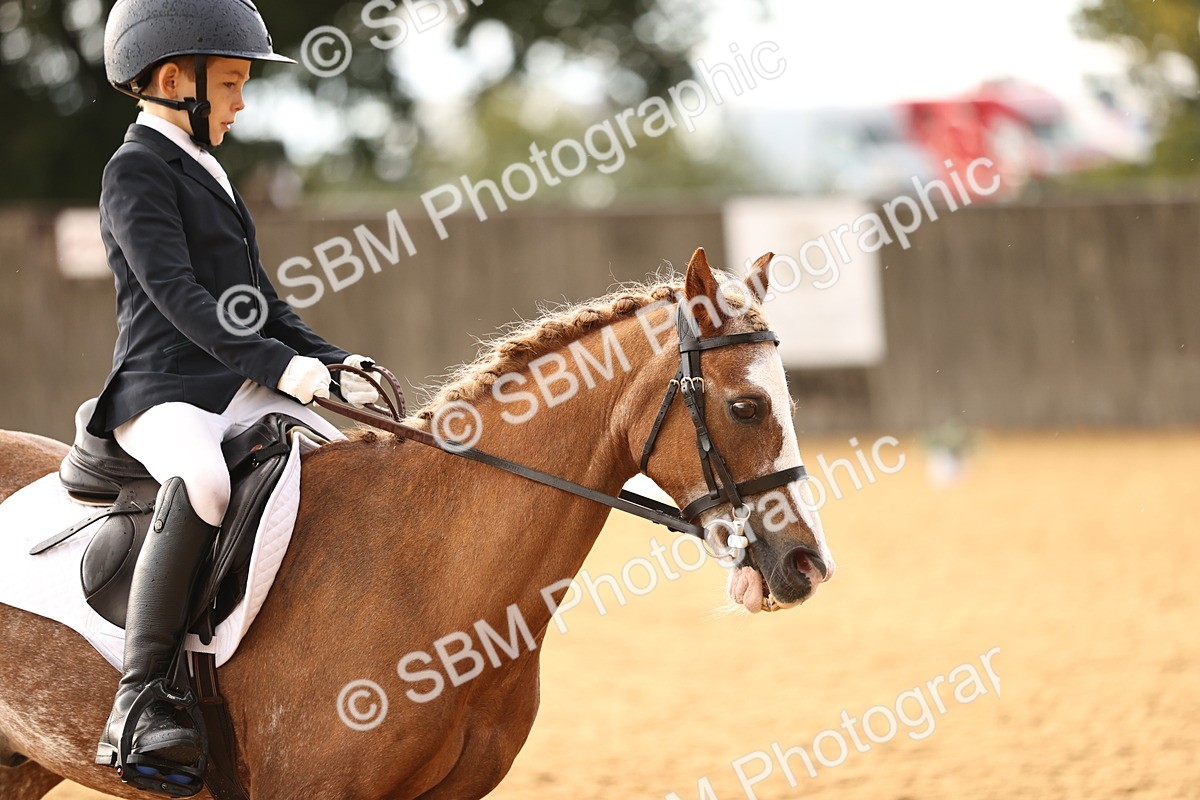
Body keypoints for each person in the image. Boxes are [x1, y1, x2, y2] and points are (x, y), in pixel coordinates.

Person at [91, 0, 378, 790]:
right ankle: (141, 697)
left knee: (344, 459)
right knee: (207, 481)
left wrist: (332, 357)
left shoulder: (205, 163)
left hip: (236, 379)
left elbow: (261, 301)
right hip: (163, 391)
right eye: (232, 83)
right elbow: (179, 297)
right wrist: (277, 366)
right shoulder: (135, 170)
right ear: (175, 78)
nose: (242, 102)